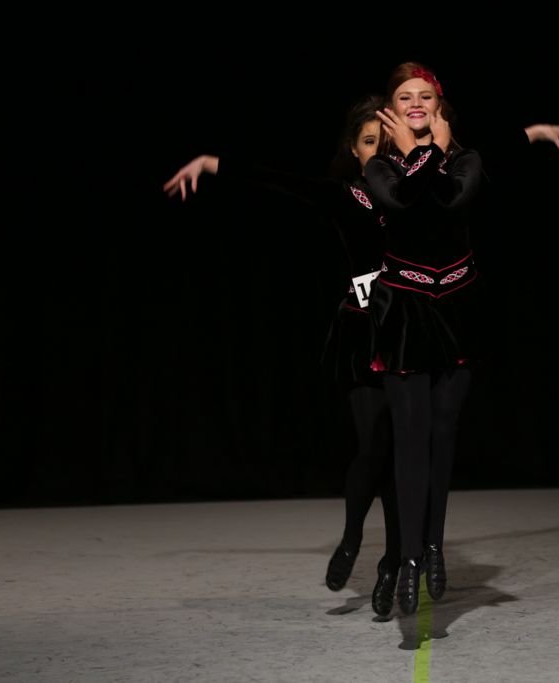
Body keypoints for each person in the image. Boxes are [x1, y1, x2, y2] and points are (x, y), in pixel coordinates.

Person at [163, 95, 403, 617]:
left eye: (387, 142)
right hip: (368, 332)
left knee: (400, 456)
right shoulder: (345, 195)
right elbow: (278, 180)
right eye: (369, 142)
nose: (379, 151)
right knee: (373, 446)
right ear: (354, 151)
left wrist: (531, 135)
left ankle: (392, 564)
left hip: (414, 331)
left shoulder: (418, 193)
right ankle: (353, 538)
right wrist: (210, 163)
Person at [363, 61, 484, 616]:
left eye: (425, 96)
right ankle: (409, 558)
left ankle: (433, 544)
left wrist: (433, 150)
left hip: (456, 309)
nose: (415, 102)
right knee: (410, 442)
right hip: (405, 314)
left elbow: (452, 200)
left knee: (443, 436)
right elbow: (402, 201)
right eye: (405, 97)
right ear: (390, 111)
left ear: (440, 106)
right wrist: (422, 150)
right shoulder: (380, 167)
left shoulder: (466, 160)